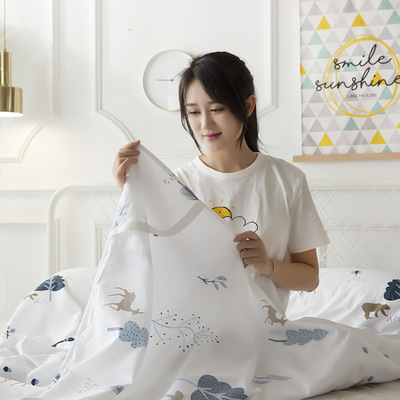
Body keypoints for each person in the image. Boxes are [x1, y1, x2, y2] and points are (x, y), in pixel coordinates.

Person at [112, 51, 329, 313]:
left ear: (247, 106)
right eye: (194, 112)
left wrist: (268, 265)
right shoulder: (176, 185)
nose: (205, 124)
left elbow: (310, 279)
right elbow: (150, 266)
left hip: (263, 332)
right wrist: (130, 193)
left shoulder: (287, 181)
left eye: (217, 109)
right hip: (191, 327)